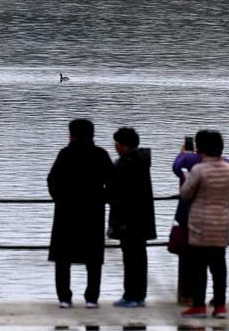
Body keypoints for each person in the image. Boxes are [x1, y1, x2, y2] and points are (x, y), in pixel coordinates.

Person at [47, 119, 114, 309]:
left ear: (72, 134)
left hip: (66, 212)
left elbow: (52, 180)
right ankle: (92, 298)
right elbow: (113, 181)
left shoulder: (65, 154)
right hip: (93, 212)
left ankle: (64, 297)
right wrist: (103, 198)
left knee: (63, 258)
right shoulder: (100, 154)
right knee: (93, 258)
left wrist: (59, 199)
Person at [179, 130, 229, 319]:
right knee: (219, 266)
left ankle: (198, 306)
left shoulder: (199, 170)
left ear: (200, 148)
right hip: (222, 223)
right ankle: (220, 306)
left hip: (200, 225)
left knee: (198, 266)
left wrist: (184, 179)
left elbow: (186, 194)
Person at [107, 127, 156, 308]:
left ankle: (130, 295)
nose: (116, 148)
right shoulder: (142, 161)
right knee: (139, 257)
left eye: (117, 145)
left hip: (127, 220)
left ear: (124, 145)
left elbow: (114, 190)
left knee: (130, 259)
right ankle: (139, 295)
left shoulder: (125, 164)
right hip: (142, 218)